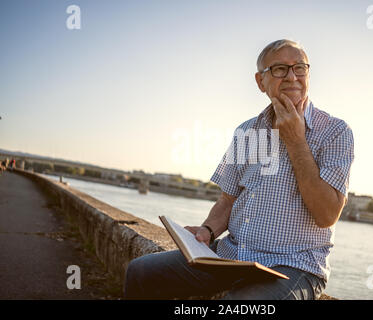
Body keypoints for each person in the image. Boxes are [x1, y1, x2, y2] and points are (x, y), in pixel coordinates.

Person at [124, 39, 354, 300]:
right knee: (141, 271)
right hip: (232, 256)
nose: (292, 77)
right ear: (260, 82)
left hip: (294, 268)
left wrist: (296, 140)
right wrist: (207, 231)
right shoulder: (246, 131)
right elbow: (227, 201)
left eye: (300, 68)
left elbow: (327, 215)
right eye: (280, 69)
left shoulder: (336, 132)